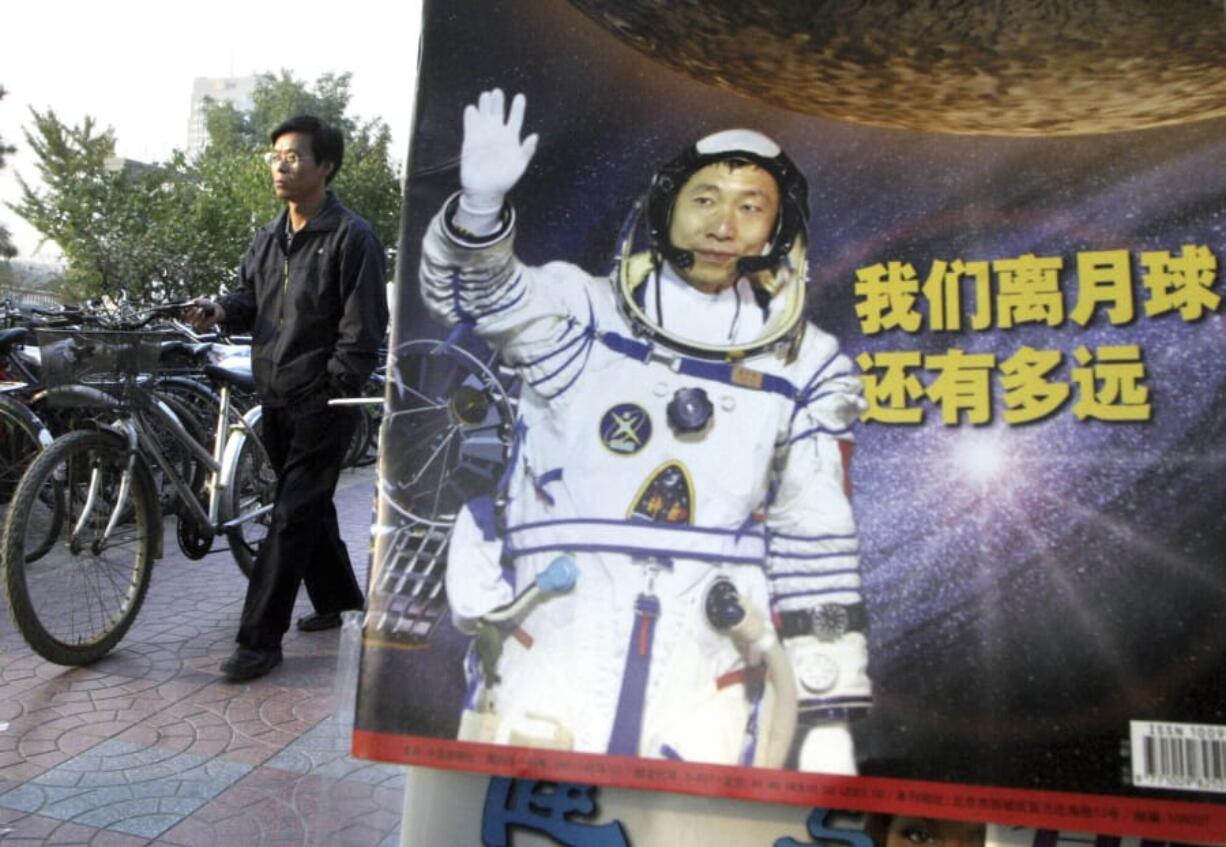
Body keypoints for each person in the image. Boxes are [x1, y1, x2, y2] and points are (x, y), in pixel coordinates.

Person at [420, 89, 868, 771]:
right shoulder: (585, 318)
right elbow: (474, 298)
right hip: (559, 632)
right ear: (667, 206)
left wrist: (826, 711)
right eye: (706, 198)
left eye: (752, 206)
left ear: (777, 230)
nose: (725, 223)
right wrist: (480, 209)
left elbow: (817, 535)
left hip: (702, 657)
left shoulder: (804, 366)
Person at [187, 115, 389, 682]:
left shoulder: (354, 237)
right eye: (276, 155)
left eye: (295, 156)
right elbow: (249, 299)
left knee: (290, 517)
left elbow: (365, 329)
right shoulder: (268, 237)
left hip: (322, 403)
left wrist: (334, 386)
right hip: (272, 395)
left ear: (325, 166)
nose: (282, 164)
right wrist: (222, 310)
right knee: (308, 507)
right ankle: (341, 602)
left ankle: (258, 641)